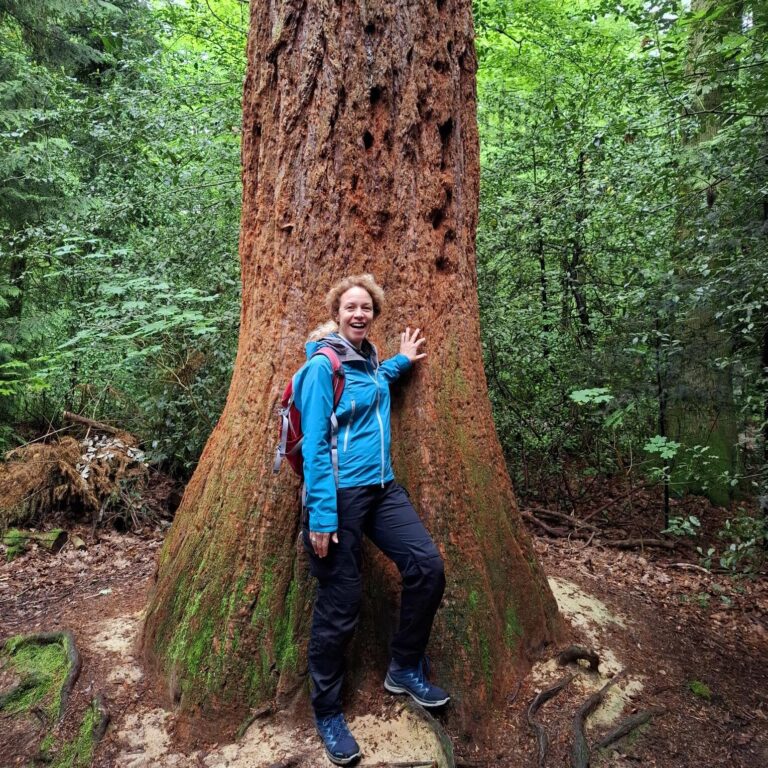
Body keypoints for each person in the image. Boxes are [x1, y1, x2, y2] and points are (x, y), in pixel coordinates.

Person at [293, 274, 448, 766]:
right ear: (337, 312)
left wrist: (401, 360)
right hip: (337, 498)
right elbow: (315, 442)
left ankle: (403, 666)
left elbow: (376, 384)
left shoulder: (370, 361)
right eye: (351, 307)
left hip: (382, 488)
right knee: (340, 606)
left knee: (428, 566)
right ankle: (327, 712)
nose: (359, 314)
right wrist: (320, 514)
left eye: (366, 308)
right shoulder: (323, 365)